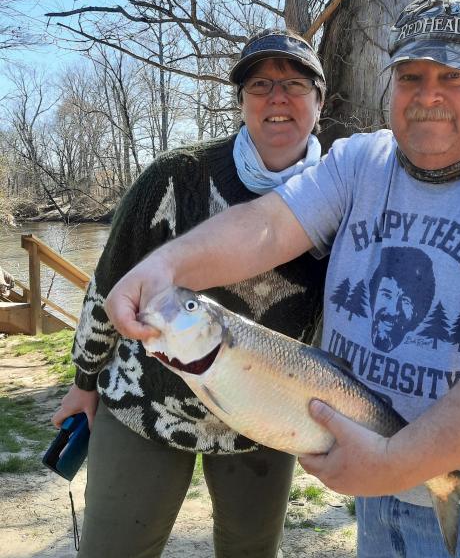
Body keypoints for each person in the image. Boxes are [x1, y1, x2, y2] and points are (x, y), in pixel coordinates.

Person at [104, 0, 460, 558]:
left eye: (453, 76)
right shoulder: (358, 162)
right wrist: (166, 264)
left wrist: (398, 462)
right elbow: (269, 226)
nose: (428, 97)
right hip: (373, 486)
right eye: (411, 76)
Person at [52, 28, 329, 558]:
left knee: (250, 551)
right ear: (241, 101)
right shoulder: (176, 176)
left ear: (320, 100)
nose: (277, 98)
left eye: (294, 84)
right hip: (147, 403)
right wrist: (85, 382)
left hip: (262, 419)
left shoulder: (341, 196)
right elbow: (108, 284)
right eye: (259, 85)